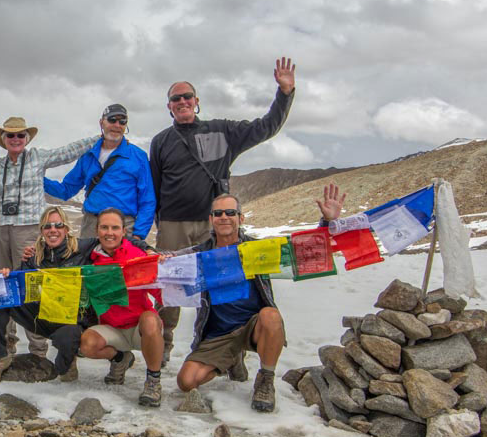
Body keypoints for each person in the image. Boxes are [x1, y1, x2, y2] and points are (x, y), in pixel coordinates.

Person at [150, 57, 297, 366]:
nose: (182, 102)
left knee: (222, 285)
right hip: (173, 225)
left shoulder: (223, 131)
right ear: (169, 107)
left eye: (187, 96)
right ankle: (162, 347)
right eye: (175, 99)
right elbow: (154, 184)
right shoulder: (161, 141)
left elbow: (265, 127)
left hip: (215, 226)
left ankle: (230, 348)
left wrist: (284, 93)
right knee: (170, 287)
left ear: (196, 101)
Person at [174, 184, 345, 413]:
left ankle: (265, 378)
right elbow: (168, 263)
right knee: (187, 382)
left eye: (230, 213)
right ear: (211, 219)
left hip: (254, 326)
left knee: (271, 316)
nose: (224, 217)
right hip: (219, 334)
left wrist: (326, 223)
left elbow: (303, 251)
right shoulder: (200, 254)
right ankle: (232, 359)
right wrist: (160, 258)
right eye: (218, 213)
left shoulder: (257, 249)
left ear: (240, 217)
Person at [0, 206, 153, 385]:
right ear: (42, 231)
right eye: (47, 226)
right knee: (1, 293)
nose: (53, 230)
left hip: (75, 321)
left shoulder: (83, 247)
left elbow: (120, 240)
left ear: (66, 229)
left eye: (58, 225)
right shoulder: (34, 257)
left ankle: (72, 360)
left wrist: (148, 249)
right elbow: (19, 287)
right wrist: (7, 276)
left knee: (64, 366)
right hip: (44, 316)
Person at [0, 117, 97, 358]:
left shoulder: (38, 157)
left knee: (31, 286)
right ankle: (6, 344)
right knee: (0, 284)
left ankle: (37, 350)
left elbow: (68, 152)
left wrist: (101, 136)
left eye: (21, 135)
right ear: (3, 140)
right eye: (10, 135)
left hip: (29, 228)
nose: (16, 139)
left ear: (27, 138)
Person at [79, 208, 167, 407]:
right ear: (97, 230)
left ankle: (153, 381)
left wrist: (162, 270)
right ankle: (120, 359)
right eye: (104, 227)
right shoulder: (89, 259)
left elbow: (162, 295)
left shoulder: (138, 255)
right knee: (87, 344)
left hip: (140, 328)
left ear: (123, 231)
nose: (109, 232)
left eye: (114, 228)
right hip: (112, 329)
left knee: (150, 319)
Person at [44, 103, 156, 239]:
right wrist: (37, 178)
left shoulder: (138, 156)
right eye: (112, 119)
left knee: (120, 262)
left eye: (122, 121)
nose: (117, 125)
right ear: (101, 122)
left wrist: (138, 235)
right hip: (91, 226)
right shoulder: (88, 154)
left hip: (124, 227)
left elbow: (148, 199)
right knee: (88, 261)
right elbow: (66, 190)